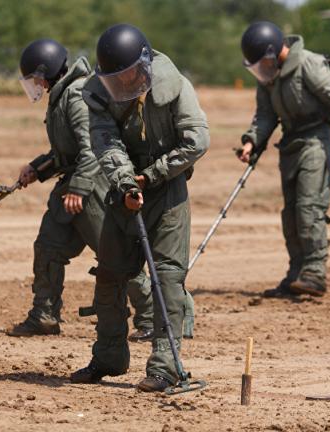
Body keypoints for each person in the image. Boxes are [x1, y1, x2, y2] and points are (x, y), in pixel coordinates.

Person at [71, 24, 209, 392]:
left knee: (167, 279)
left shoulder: (176, 86)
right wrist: (128, 181)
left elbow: (198, 140)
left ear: (145, 63)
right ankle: (109, 357)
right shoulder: (100, 96)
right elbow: (105, 140)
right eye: (116, 79)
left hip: (167, 193)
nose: (125, 84)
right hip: (125, 189)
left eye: (130, 75)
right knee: (110, 274)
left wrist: (153, 176)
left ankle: (165, 368)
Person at [7, 38, 154, 339]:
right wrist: (38, 168)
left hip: (92, 189)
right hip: (72, 189)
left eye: (35, 77)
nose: (35, 84)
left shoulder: (75, 95)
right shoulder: (62, 94)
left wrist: (80, 188)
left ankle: (153, 319)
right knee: (49, 247)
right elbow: (67, 152)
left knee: (117, 255)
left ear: (46, 72)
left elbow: (91, 149)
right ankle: (44, 315)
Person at [236, 21, 330, 298]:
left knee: (308, 208)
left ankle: (315, 272)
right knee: (290, 215)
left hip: (316, 140)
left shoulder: (308, 64)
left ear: (274, 52)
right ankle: (296, 274)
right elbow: (265, 115)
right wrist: (251, 141)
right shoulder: (269, 77)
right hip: (290, 144)